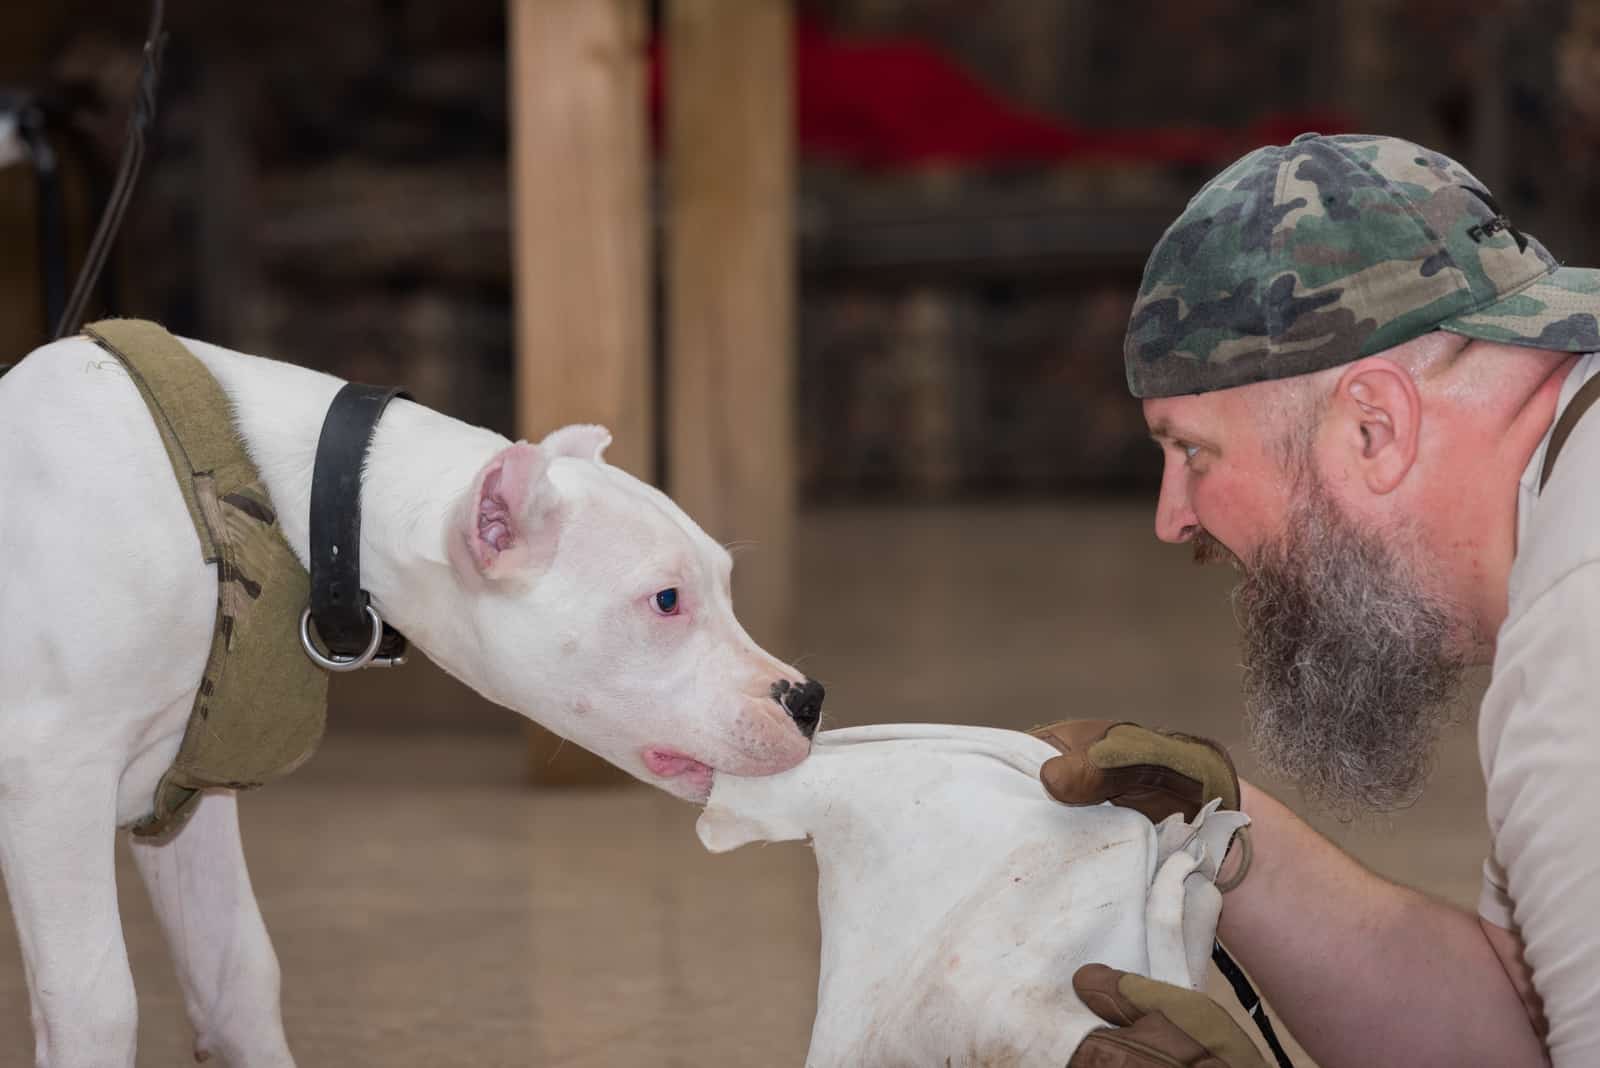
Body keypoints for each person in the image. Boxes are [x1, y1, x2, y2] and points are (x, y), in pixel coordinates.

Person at [1036, 132, 1600, 1067]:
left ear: (1373, 427)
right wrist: (1217, 838)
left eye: (1193, 452)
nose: (1174, 519)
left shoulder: (1582, 660)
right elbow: (1524, 1017)